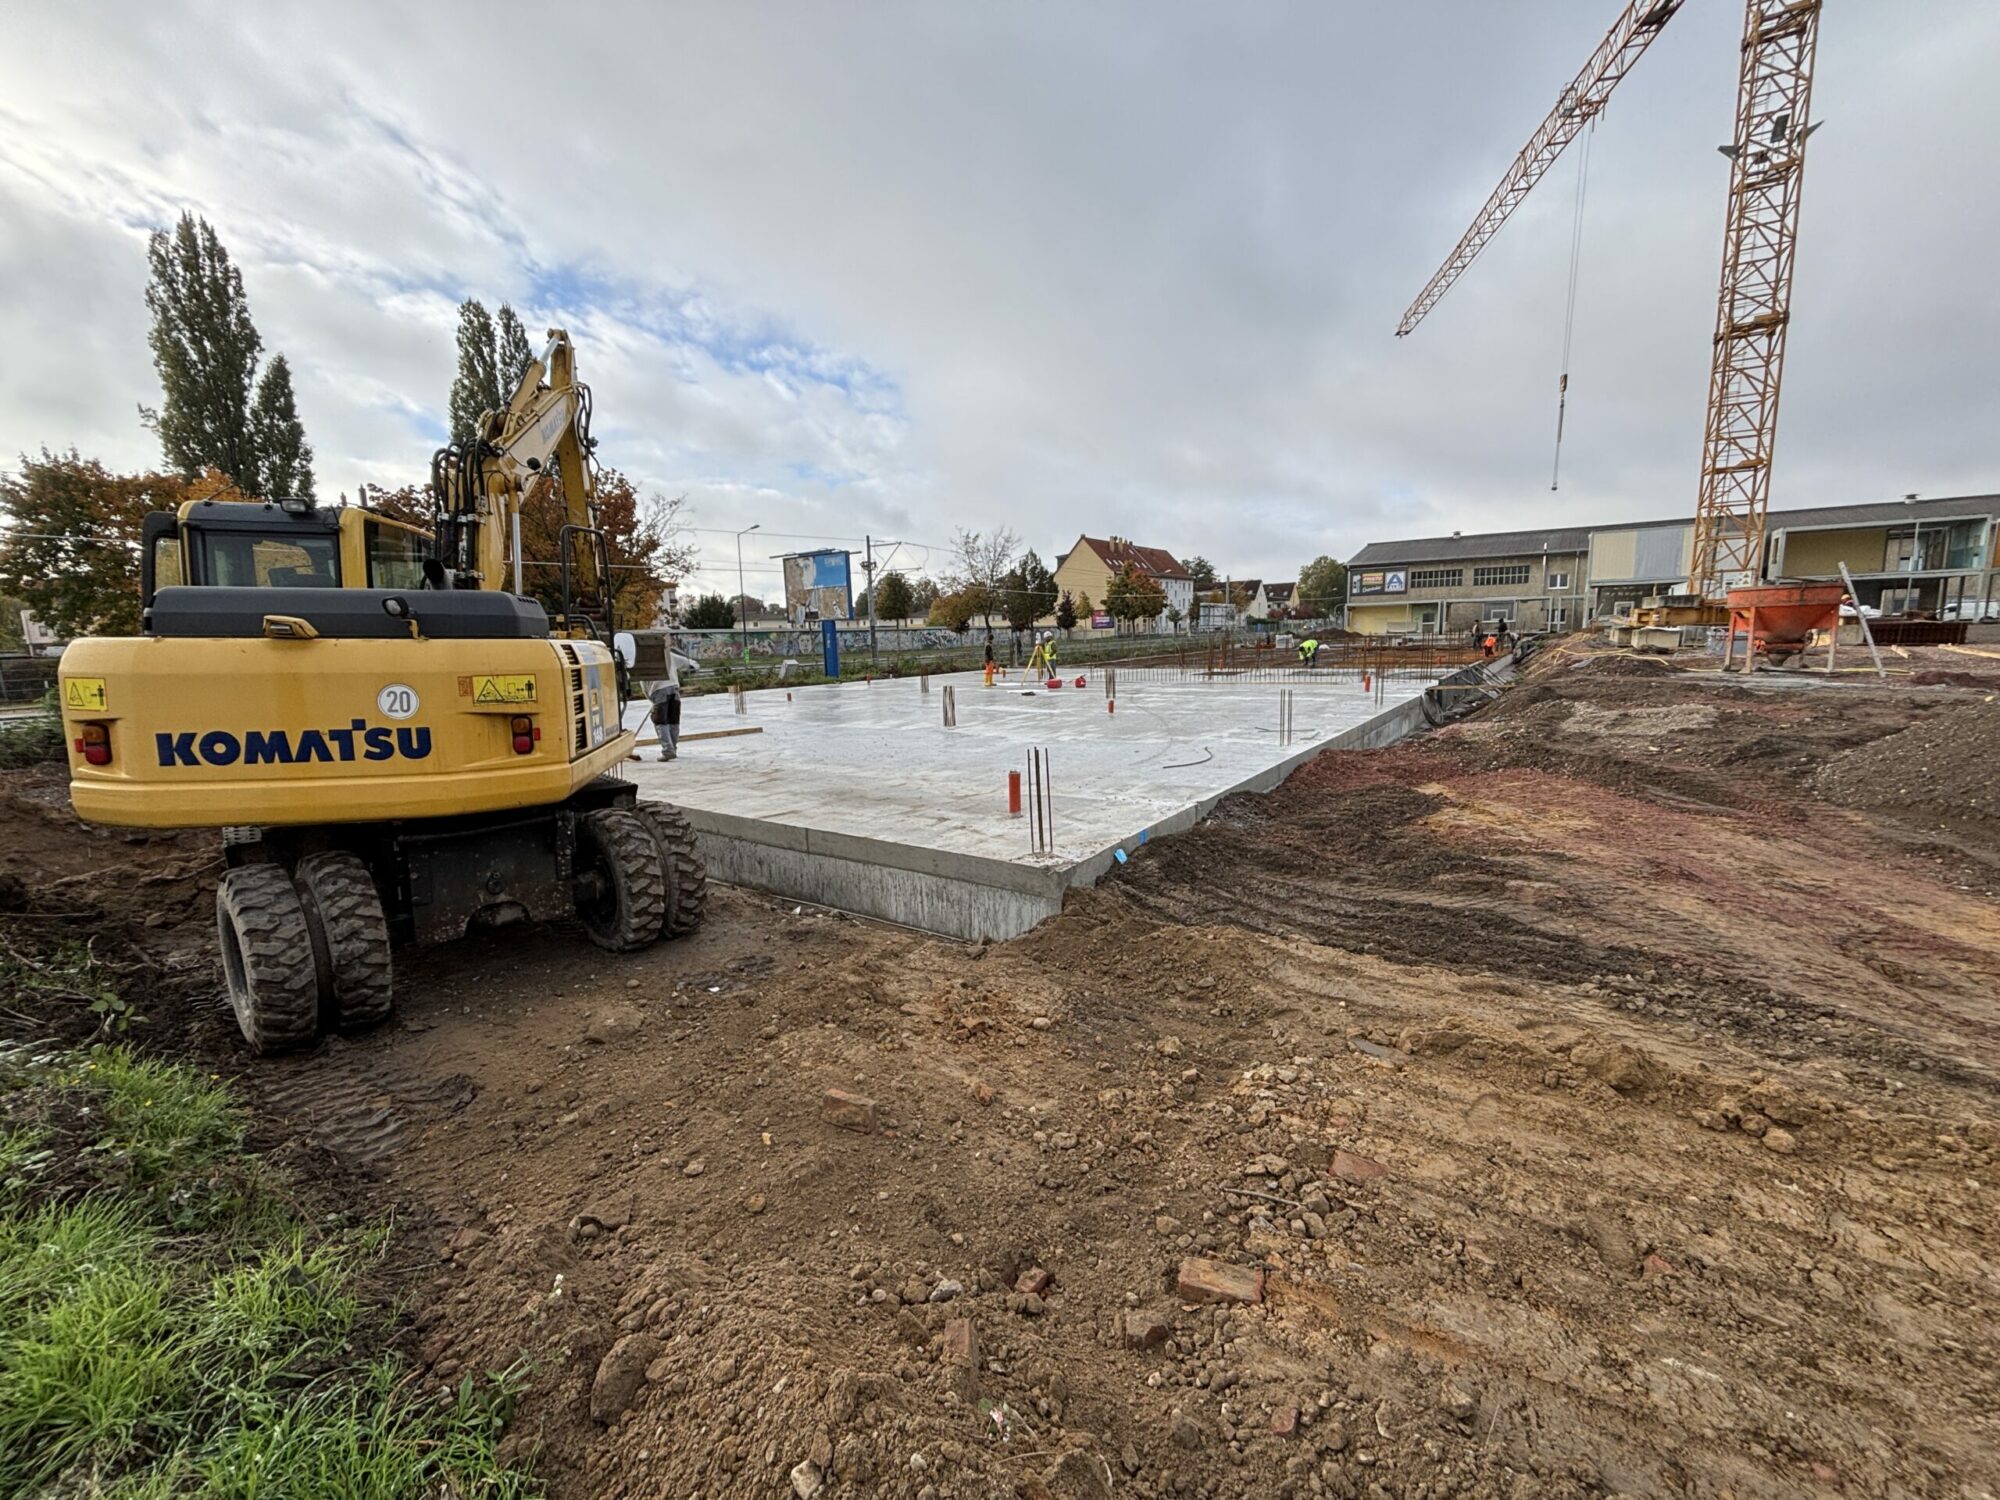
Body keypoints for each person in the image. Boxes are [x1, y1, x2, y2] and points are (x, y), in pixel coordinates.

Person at [647, 653, 682, 762]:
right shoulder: (669, 654)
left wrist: (652, 700)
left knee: (660, 722)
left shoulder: (643, 659)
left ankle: (668, 751)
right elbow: (686, 663)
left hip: (659, 691)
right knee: (673, 721)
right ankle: (673, 748)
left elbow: (644, 686)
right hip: (674, 689)